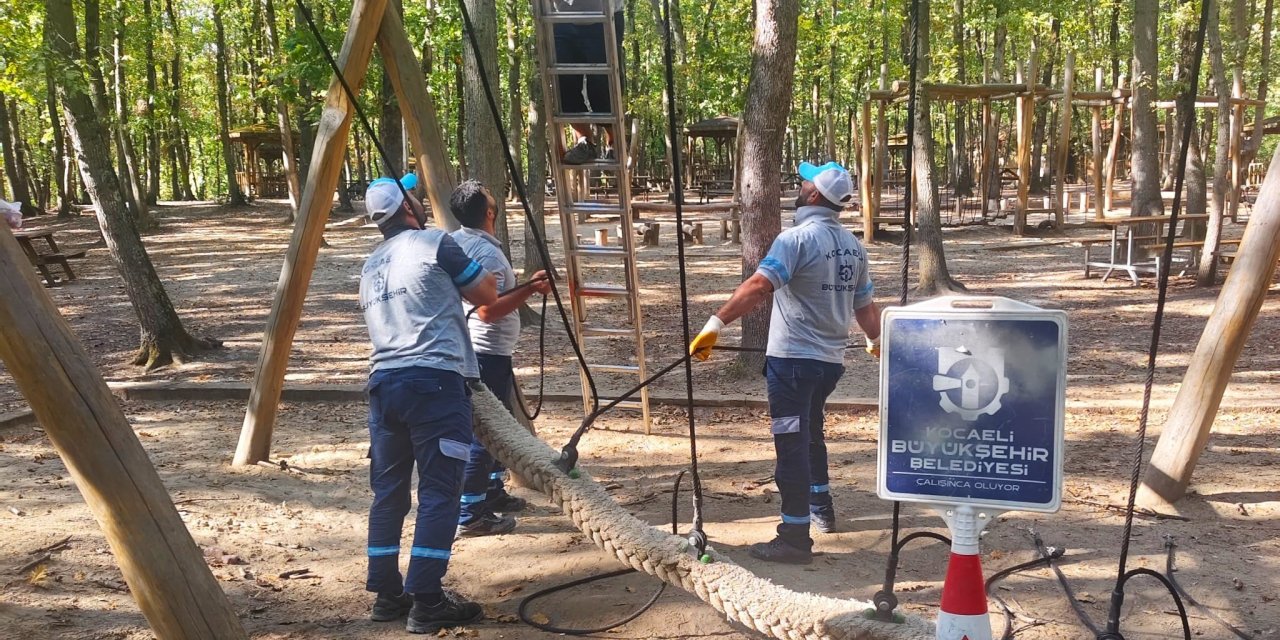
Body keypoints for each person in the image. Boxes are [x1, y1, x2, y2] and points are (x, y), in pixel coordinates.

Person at [688, 161, 882, 565]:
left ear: (814, 196)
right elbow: (864, 306)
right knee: (811, 432)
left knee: (790, 442)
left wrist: (716, 322)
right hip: (828, 363)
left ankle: (794, 536)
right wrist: (876, 338)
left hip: (793, 361)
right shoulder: (853, 246)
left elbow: (759, 285)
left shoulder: (795, 239)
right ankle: (820, 506)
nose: (800, 183)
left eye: (806, 181)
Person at [358, 176, 499, 634]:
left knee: (389, 493)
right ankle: (428, 599)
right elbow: (487, 295)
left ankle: (386, 594)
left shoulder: (370, 265)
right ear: (407, 206)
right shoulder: (434, 243)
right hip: (435, 385)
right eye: (414, 194)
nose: (420, 199)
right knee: (440, 491)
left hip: (384, 387)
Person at [448, 180, 551, 537]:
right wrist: (531, 290)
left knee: (500, 426)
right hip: (485, 351)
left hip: (485, 351)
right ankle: (471, 512)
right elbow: (487, 311)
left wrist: (523, 286)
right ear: (490, 212)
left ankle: (491, 491)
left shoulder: (460, 242)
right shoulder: (486, 253)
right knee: (487, 433)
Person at [552, 0, 624, 164]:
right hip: (562, 18)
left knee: (603, 85)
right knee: (563, 84)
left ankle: (614, 142)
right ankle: (584, 142)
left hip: (604, 15)